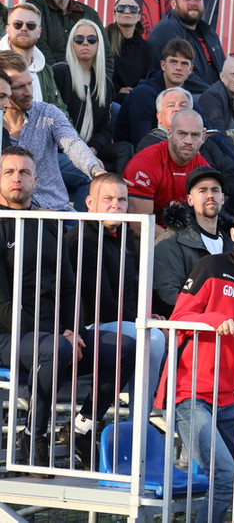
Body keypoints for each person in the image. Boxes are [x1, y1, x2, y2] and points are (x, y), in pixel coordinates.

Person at [0, 146, 133, 469]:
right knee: (55, 349)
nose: (17, 178)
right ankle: (33, 435)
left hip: (53, 336)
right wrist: (56, 335)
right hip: (9, 335)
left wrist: (72, 329)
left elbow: (69, 288)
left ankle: (82, 428)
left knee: (126, 348)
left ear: (36, 180)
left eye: (24, 172)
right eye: (9, 172)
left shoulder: (50, 222)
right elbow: (1, 304)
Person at [155, 205, 234, 521]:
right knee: (225, 479)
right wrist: (213, 319)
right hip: (187, 394)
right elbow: (177, 319)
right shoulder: (210, 267)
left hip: (227, 400)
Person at [65, 173, 165, 416]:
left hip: (119, 320)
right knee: (153, 338)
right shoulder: (82, 239)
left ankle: (150, 412)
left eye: (121, 200)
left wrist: (148, 315)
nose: (116, 205)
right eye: (108, 199)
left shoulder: (123, 235)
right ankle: (139, 418)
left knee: (171, 336)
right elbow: (101, 302)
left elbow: (131, 287)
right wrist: (142, 322)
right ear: (89, 202)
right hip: (88, 325)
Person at [0, 50, 105, 213]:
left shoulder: (48, 113)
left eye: (30, 83)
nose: (28, 92)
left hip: (58, 211)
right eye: (19, 87)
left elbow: (72, 143)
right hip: (11, 217)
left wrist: (95, 169)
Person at [53, 19, 132, 174]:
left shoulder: (105, 83)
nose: (85, 43)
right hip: (64, 150)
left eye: (91, 39)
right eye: (79, 39)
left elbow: (105, 128)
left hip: (91, 148)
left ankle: (117, 187)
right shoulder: (59, 73)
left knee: (125, 149)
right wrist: (83, 155)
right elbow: (57, 121)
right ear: (72, 44)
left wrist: (92, 150)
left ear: (98, 44)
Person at [153, 166, 234, 316]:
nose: (210, 196)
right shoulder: (170, 242)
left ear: (222, 198)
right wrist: (209, 317)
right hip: (191, 324)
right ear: (190, 200)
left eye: (215, 190)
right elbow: (167, 295)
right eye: (202, 191)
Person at [135, 87, 234, 198]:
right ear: (159, 116)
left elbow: (232, 176)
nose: (177, 109)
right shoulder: (150, 144)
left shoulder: (206, 142)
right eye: (171, 105)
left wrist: (215, 189)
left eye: (183, 106)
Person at [123, 108, 210, 229]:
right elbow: (139, 226)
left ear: (203, 138)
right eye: (182, 134)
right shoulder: (145, 163)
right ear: (169, 134)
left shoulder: (202, 166)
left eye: (195, 135)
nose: (189, 141)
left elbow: (209, 218)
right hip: (148, 237)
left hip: (184, 233)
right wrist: (178, 241)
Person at [114, 38, 207, 144]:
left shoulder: (184, 98)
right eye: (173, 62)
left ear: (191, 69)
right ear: (163, 65)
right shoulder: (143, 95)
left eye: (184, 63)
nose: (178, 68)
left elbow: (211, 134)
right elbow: (143, 143)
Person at [27, 0, 113, 75]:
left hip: (83, 79)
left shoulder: (89, 13)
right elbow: (39, 45)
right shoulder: (35, 6)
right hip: (45, 78)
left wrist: (103, 81)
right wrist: (58, 77)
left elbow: (105, 53)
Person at [147, 0, 224, 87]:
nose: (193, 3)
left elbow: (224, 69)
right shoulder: (165, 30)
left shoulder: (209, 33)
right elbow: (183, 75)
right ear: (173, 3)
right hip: (185, 94)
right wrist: (214, 93)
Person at [1, 2, 66, 111]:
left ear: (39, 32)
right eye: (17, 24)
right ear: (7, 29)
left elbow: (59, 110)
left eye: (31, 25)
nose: (24, 28)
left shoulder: (45, 71)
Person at [105, 0, 154, 103]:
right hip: (109, 98)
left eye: (133, 9)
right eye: (121, 8)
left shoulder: (146, 47)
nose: (127, 11)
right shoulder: (103, 40)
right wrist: (118, 89)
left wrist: (137, 91)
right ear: (114, 14)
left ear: (139, 16)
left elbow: (149, 78)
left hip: (136, 99)